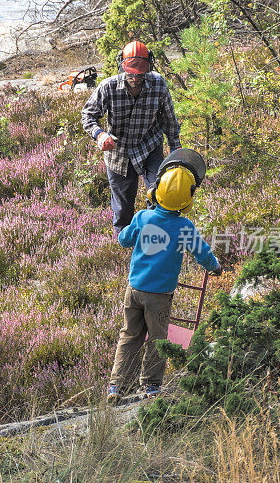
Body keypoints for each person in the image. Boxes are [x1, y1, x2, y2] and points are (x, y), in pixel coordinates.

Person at [105, 149, 222, 404]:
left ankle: (116, 387)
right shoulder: (184, 227)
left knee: (129, 336)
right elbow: (202, 254)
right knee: (158, 339)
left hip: (134, 289)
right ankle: (151, 386)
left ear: (157, 189)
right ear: (186, 200)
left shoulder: (143, 217)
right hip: (159, 296)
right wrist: (214, 267)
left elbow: (124, 240)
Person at [81, 41, 182, 238]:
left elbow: (169, 120)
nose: (135, 77)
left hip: (149, 147)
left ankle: (153, 239)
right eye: (131, 72)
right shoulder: (108, 87)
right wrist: (99, 135)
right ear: (122, 64)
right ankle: (124, 243)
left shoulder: (158, 84)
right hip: (119, 152)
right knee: (123, 207)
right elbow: (88, 115)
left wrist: (176, 153)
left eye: (141, 72)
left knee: (159, 196)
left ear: (149, 66)